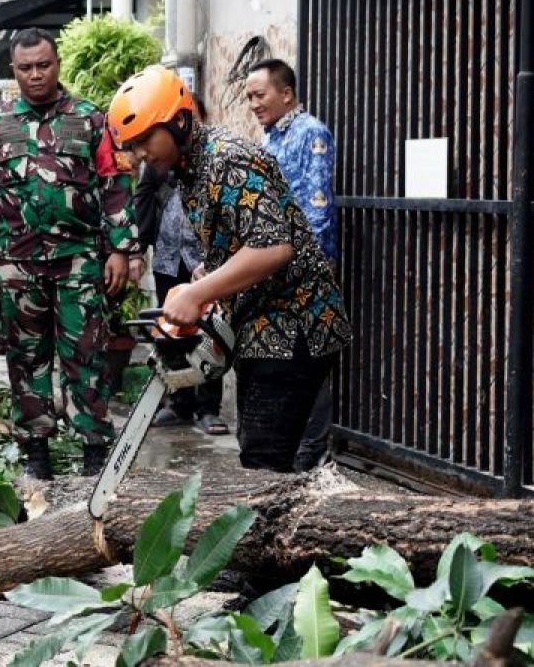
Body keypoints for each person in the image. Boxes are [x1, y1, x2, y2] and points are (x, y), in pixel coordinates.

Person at [107, 66, 351, 472]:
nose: (140, 154)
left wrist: (197, 294)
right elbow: (244, 235)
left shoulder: (227, 160)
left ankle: (290, 530)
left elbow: (274, 246)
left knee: (266, 460)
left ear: (180, 121)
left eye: (146, 139)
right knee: (260, 452)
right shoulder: (190, 170)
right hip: (262, 324)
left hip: (293, 324)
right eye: (133, 145)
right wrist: (210, 271)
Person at [0, 28, 137, 480]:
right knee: (25, 357)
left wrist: (121, 249)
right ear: (13, 70)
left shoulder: (90, 119)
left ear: (58, 64)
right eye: (25, 68)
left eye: (44, 65)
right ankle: (35, 446)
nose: (36, 75)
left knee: (87, 354)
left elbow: (115, 185)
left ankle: (94, 446)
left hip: (80, 260)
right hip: (16, 264)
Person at [245, 58, 339, 470]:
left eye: (259, 94)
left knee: (309, 358)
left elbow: (318, 209)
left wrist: (307, 270)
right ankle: (292, 449)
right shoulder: (269, 138)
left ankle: (311, 455)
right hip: (274, 274)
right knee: (284, 362)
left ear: (286, 93)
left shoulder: (310, 133)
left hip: (305, 274)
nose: (253, 103)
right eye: (249, 96)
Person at [133, 97, 227, 436]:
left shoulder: (214, 161)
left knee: (210, 331)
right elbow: (143, 200)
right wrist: (137, 248)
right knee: (170, 332)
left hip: (206, 260)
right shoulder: (158, 162)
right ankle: (180, 402)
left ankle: (208, 408)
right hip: (169, 257)